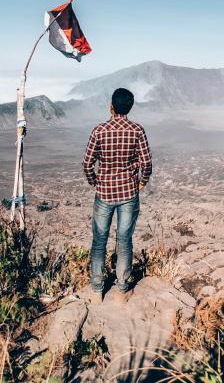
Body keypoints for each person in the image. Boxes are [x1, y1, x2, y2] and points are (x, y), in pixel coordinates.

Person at [82, 87, 153, 303]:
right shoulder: (137, 130)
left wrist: (96, 182)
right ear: (129, 107)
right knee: (124, 241)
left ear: (111, 106)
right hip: (129, 193)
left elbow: (87, 164)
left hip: (104, 193)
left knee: (99, 241)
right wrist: (141, 183)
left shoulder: (99, 131)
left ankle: (96, 290)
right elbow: (147, 163)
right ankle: (122, 289)